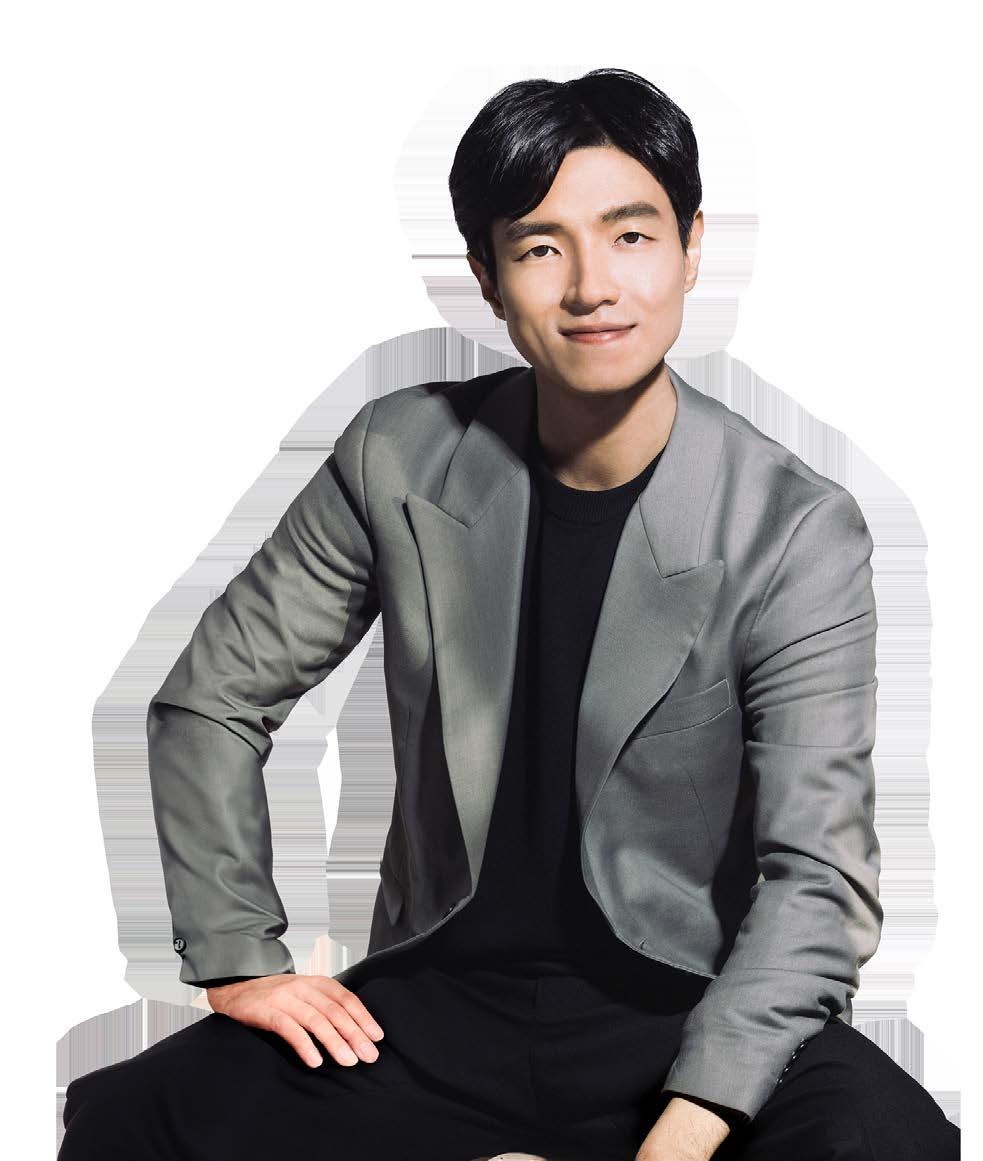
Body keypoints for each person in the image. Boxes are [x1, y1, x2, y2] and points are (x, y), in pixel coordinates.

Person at [59, 68, 960, 1161]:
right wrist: (239, 956)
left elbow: (817, 875)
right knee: (133, 1118)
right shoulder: (398, 456)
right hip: (437, 1005)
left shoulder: (793, 526)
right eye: (539, 248)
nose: (592, 287)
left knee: (887, 1138)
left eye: (631, 236)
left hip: (681, 1010)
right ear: (486, 279)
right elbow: (211, 699)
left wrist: (690, 1126)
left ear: (690, 247)